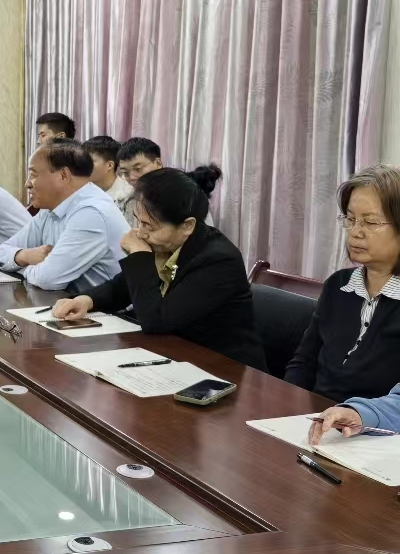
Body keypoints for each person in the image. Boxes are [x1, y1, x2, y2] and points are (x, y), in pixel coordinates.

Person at [50, 166, 266, 370]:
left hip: (222, 369)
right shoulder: (167, 242)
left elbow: (156, 320)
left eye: (149, 226)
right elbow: (125, 287)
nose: (140, 233)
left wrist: (139, 254)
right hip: (175, 355)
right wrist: (88, 300)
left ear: (187, 225)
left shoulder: (217, 260)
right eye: (139, 222)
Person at [285, 165, 400, 403]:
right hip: (314, 416)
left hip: (372, 423)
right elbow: (303, 362)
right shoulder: (338, 285)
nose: (355, 232)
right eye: (351, 219)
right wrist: (286, 403)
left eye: (371, 222)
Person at [0, 140, 128, 291]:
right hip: (69, 300)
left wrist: (23, 268)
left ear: (63, 175)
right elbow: (0, 252)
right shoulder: (49, 209)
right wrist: (24, 256)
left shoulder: (91, 213)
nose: (27, 184)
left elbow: (48, 279)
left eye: (33, 175)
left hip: (104, 306)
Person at [83, 135, 136, 226]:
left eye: (89, 161)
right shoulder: (82, 191)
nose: (83, 165)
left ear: (110, 165)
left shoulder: (128, 195)